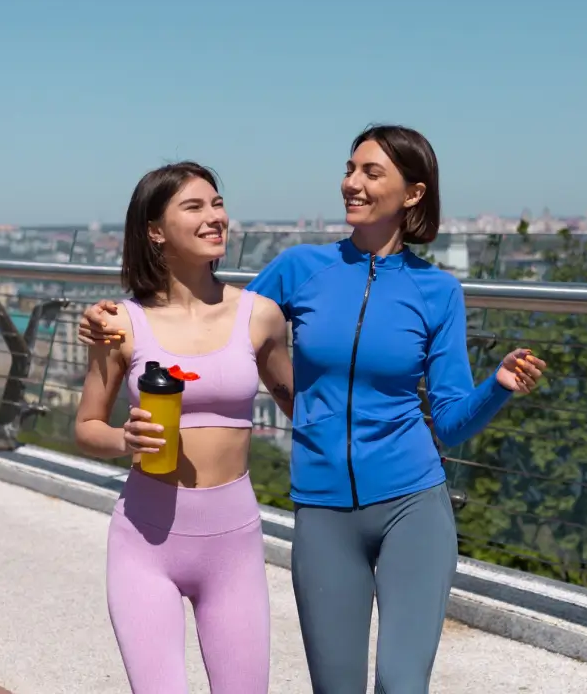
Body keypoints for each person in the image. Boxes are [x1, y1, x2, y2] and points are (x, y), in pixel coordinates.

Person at [78, 126, 547, 693]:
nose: (351, 182)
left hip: (412, 501)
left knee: (402, 683)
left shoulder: (438, 292)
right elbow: (213, 317)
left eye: (371, 172)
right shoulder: (301, 268)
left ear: (413, 194)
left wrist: (495, 386)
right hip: (323, 510)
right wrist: (114, 317)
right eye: (350, 168)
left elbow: (448, 422)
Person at [74, 161, 294, 694]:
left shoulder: (261, 315)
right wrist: (124, 439)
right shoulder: (120, 323)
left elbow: (305, 405)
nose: (214, 216)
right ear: (154, 230)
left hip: (233, 544)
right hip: (145, 544)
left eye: (217, 204)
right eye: (194, 206)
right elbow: (85, 426)